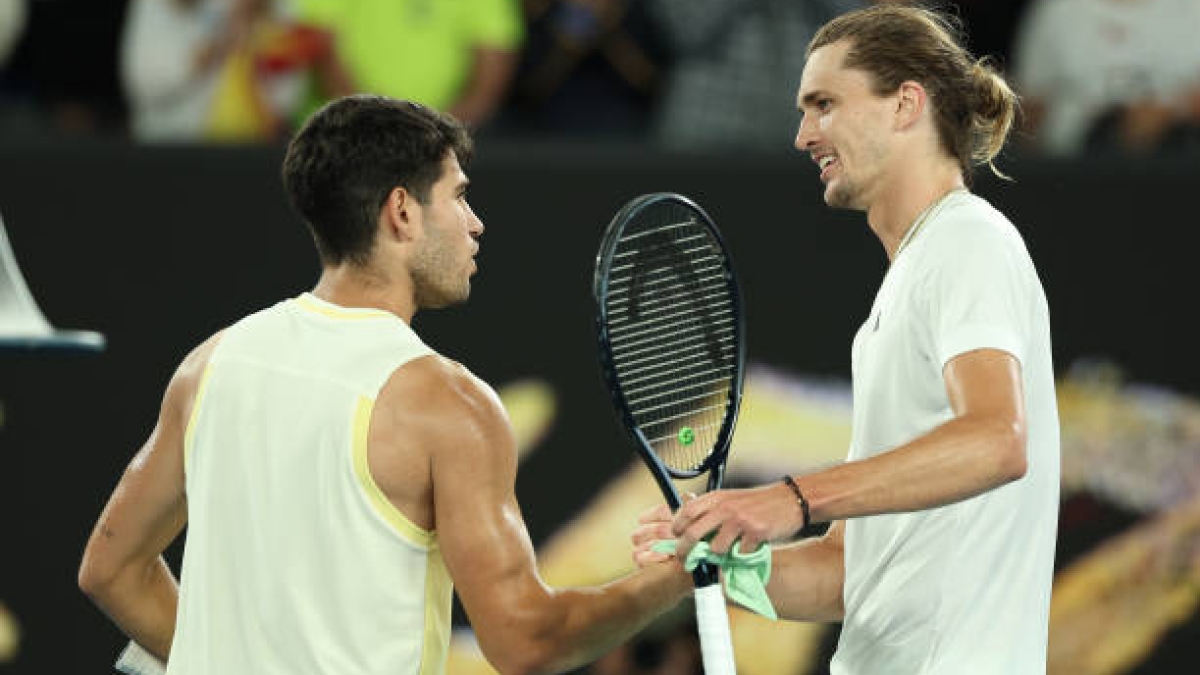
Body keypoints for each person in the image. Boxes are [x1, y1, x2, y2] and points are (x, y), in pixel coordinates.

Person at [78, 94, 690, 674]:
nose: (475, 224)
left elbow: (112, 569)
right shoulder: (449, 405)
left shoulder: (210, 364)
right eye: (459, 197)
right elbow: (526, 639)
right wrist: (672, 579)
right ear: (402, 211)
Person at [634, 5, 1060, 673]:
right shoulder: (907, 282)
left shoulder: (967, 239)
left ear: (905, 105)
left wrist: (789, 497)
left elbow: (997, 439)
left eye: (824, 104)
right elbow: (843, 573)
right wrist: (729, 561)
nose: (804, 134)